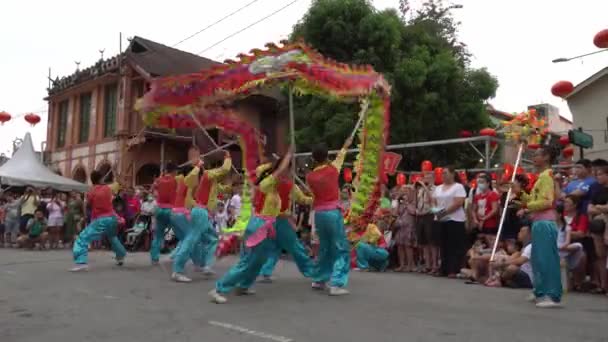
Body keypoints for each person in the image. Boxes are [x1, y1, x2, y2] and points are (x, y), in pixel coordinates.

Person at [209, 147, 294, 304]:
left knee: (259, 260)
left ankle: (244, 285)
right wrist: (288, 155)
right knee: (248, 261)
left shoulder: (271, 188)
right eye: (287, 170)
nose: (288, 174)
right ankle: (219, 289)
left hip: (266, 227)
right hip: (258, 226)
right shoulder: (268, 183)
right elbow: (278, 170)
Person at [173, 149, 232, 282]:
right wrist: (228, 157)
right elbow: (224, 169)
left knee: (212, 239)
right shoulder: (208, 174)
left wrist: (229, 186)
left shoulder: (210, 181)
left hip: (202, 213)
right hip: (200, 212)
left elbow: (222, 188)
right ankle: (178, 269)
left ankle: (205, 265)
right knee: (191, 240)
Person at [305, 137, 353, 295]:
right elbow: (343, 152)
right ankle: (337, 283)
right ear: (326, 156)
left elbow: (312, 195)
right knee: (341, 247)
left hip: (319, 213)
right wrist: (347, 143)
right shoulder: (333, 169)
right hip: (332, 212)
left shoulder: (310, 176)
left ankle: (319, 279)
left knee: (324, 247)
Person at [519, 146, 562, 308]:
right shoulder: (541, 177)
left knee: (547, 260)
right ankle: (540, 290)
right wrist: (520, 194)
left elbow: (547, 202)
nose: (534, 158)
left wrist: (528, 206)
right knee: (537, 259)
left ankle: (552, 295)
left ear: (546, 157)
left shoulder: (547, 176)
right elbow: (533, 198)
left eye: (537, 155)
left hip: (545, 222)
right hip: (538, 222)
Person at [258, 161, 314, 282]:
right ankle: (311, 271)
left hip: (270, 221)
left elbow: (303, 199)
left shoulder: (273, 183)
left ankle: (266, 272)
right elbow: (303, 199)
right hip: (280, 221)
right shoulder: (282, 184)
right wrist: (315, 199)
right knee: (295, 247)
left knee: (275, 247)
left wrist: (313, 199)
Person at [70, 170, 127, 272]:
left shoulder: (91, 191)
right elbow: (121, 184)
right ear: (101, 178)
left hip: (101, 219)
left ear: (92, 180)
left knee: (82, 239)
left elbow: (88, 206)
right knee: (113, 237)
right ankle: (121, 256)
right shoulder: (109, 188)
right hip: (112, 218)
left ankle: (81, 262)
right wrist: (117, 176)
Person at [432, 166, 467, 278]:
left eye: (446, 173)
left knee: (454, 245)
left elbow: (458, 203)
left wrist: (443, 212)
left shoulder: (458, 187)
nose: (443, 175)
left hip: (455, 219)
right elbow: (433, 201)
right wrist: (436, 212)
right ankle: (443, 268)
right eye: (442, 173)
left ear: (452, 174)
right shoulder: (438, 188)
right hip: (441, 219)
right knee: (443, 244)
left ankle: (453, 269)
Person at [150, 162, 178, 264]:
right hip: (171, 210)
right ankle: (179, 254)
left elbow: (152, 190)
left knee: (158, 235)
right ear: (174, 171)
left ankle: (154, 258)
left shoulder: (158, 180)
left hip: (159, 209)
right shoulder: (175, 180)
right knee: (181, 233)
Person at [587, 164, 608, 295]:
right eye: (597, 174)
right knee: (600, 255)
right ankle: (603, 285)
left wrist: (599, 208)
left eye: (601, 174)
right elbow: (589, 208)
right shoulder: (597, 190)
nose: (598, 177)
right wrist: (602, 208)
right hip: (597, 225)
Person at [556, 202, 586, 290]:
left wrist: (563, 246)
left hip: (562, 248)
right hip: (554, 248)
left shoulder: (567, 227)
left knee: (578, 245)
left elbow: (567, 241)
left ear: (559, 215)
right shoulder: (550, 227)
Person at [415, 172, 438, 273]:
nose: (426, 179)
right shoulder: (420, 190)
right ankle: (427, 265)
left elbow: (432, 200)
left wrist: (425, 187)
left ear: (433, 178)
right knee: (423, 242)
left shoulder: (436, 189)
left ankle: (434, 265)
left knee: (432, 241)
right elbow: (418, 201)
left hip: (430, 215)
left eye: (428, 177)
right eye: (425, 177)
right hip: (421, 215)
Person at [392, 186, 417, 272]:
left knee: (408, 246)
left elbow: (413, 212)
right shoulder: (400, 202)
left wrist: (406, 203)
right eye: (402, 191)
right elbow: (395, 213)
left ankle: (410, 265)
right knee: (400, 245)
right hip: (400, 226)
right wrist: (398, 202)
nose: (404, 193)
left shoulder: (413, 201)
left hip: (409, 225)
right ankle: (402, 265)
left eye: (406, 191)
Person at [472, 174, 500, 246]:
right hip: (479, 224)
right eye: (479, 182)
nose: (480, 184)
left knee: (490, 243)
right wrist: (475, 219)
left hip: (490, 224)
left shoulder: (493, 194)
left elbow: (495, 209)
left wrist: (484, 218)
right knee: (479, 244)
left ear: (488, 183)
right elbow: (473, 209)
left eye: (482, 182)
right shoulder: (477, 196)